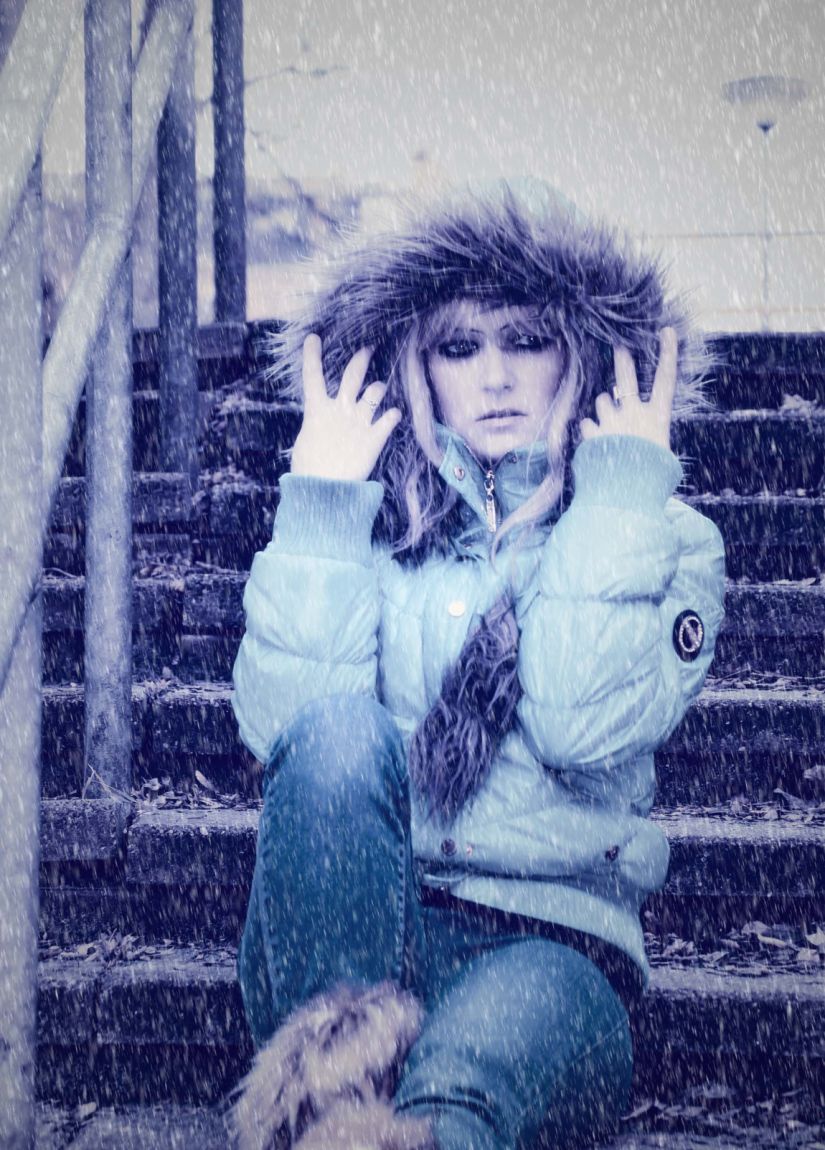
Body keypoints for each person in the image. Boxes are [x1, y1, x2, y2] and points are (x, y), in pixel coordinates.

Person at [226, 180, 727, 1150]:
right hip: (361, 946)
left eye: (526, 340)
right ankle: (327, 1097)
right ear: (414, 366)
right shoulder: (371, 532)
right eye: (458, 347)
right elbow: (294, 751)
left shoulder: (661, 534)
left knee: (458, 1098)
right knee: (337, 729)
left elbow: (582, 725)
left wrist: (617, 498)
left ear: (579, 355)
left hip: (549, 947)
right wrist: (323, 503)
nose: (494, 376)